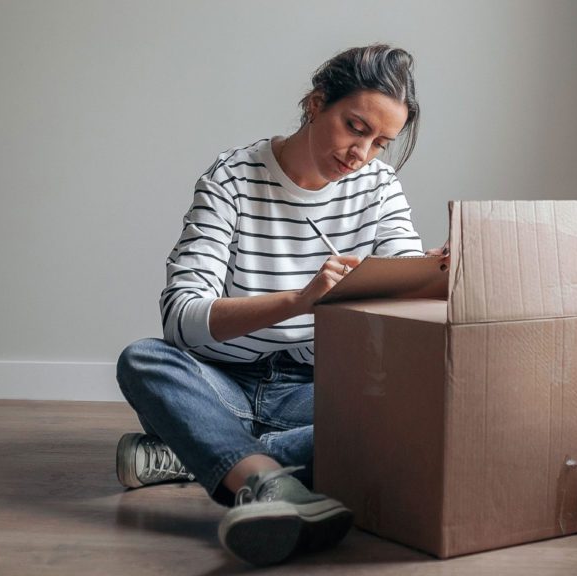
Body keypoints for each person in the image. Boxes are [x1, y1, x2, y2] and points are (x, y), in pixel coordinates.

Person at [114, 44, 447, 567]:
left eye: (381, 142)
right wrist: (298, 300)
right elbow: (181, 319)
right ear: (316, 104)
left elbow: (399, 283)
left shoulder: (380, 187)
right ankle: (271, 479)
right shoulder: (233, 178)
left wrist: (429, 273)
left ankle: (206, 455)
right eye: (355, 127)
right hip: (223, 379)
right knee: (144, 359)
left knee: (416, 418)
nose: (361, 153)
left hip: (312, 387)